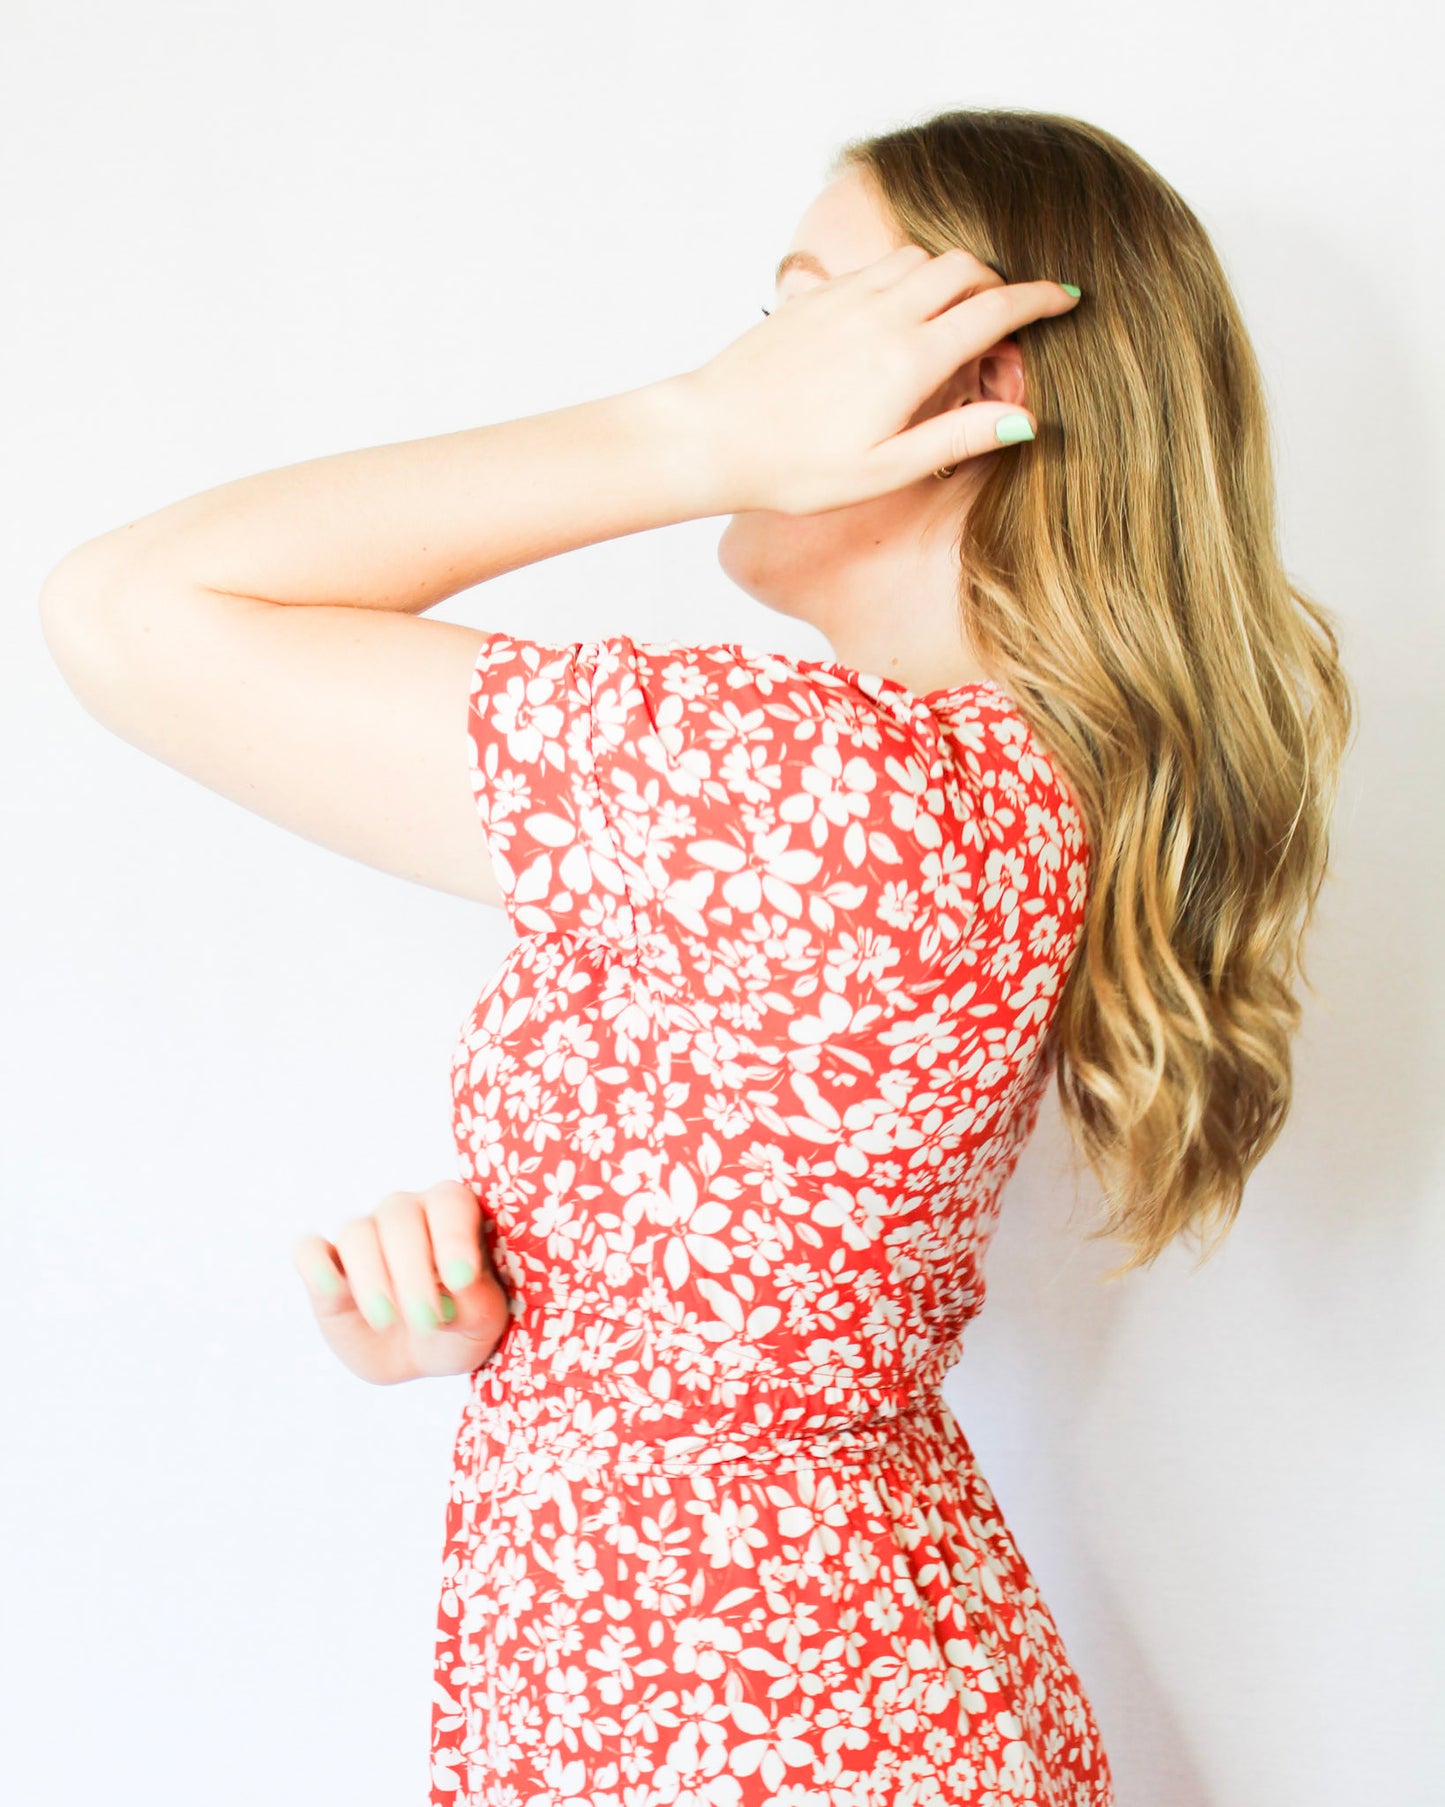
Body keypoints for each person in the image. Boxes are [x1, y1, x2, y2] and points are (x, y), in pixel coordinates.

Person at [38, 106, 1354, 1807]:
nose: (751, 359)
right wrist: (503, 1319)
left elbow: (131, 609)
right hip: (787, 1692)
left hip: (753, 1727)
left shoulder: (824, 787)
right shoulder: (929, 780)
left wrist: (689, 435)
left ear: (978, 390)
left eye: (806, 310)